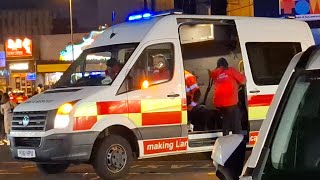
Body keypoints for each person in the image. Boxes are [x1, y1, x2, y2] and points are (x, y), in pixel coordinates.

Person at [211, 57, 246, 136]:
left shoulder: (215, 74)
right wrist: (242, 75)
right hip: (231, 102)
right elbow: (243, 81)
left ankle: (225, 138)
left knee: (226, 121)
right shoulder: (231, 70)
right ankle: (237, 139)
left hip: (219, 104)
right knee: (236, 122)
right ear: (226, 64)